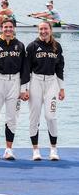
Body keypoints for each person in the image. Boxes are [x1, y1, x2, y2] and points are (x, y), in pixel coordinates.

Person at [0, 18, 29, 161]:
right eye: (5, 27)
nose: (8, 30)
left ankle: (8, 150)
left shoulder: (20, 45)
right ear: (1, 28)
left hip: (15, 82)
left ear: (14, 28)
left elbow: (25, 69)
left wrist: (24, 88)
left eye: (10, 27)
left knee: (12, 118)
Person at [26, 21, 65, 161]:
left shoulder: (57, 46)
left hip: (51, 83)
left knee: (51, 117)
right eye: (41, 29)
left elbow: (60, 68)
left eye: (46, 29)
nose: (43, 31)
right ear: (38, 31)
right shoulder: (32, 46)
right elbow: (26, 69)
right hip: (35, 82)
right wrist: (24, 89)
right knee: (34, 117)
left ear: (50, 30)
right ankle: (35, 150)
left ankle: (53, 149)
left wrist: (62, 89)